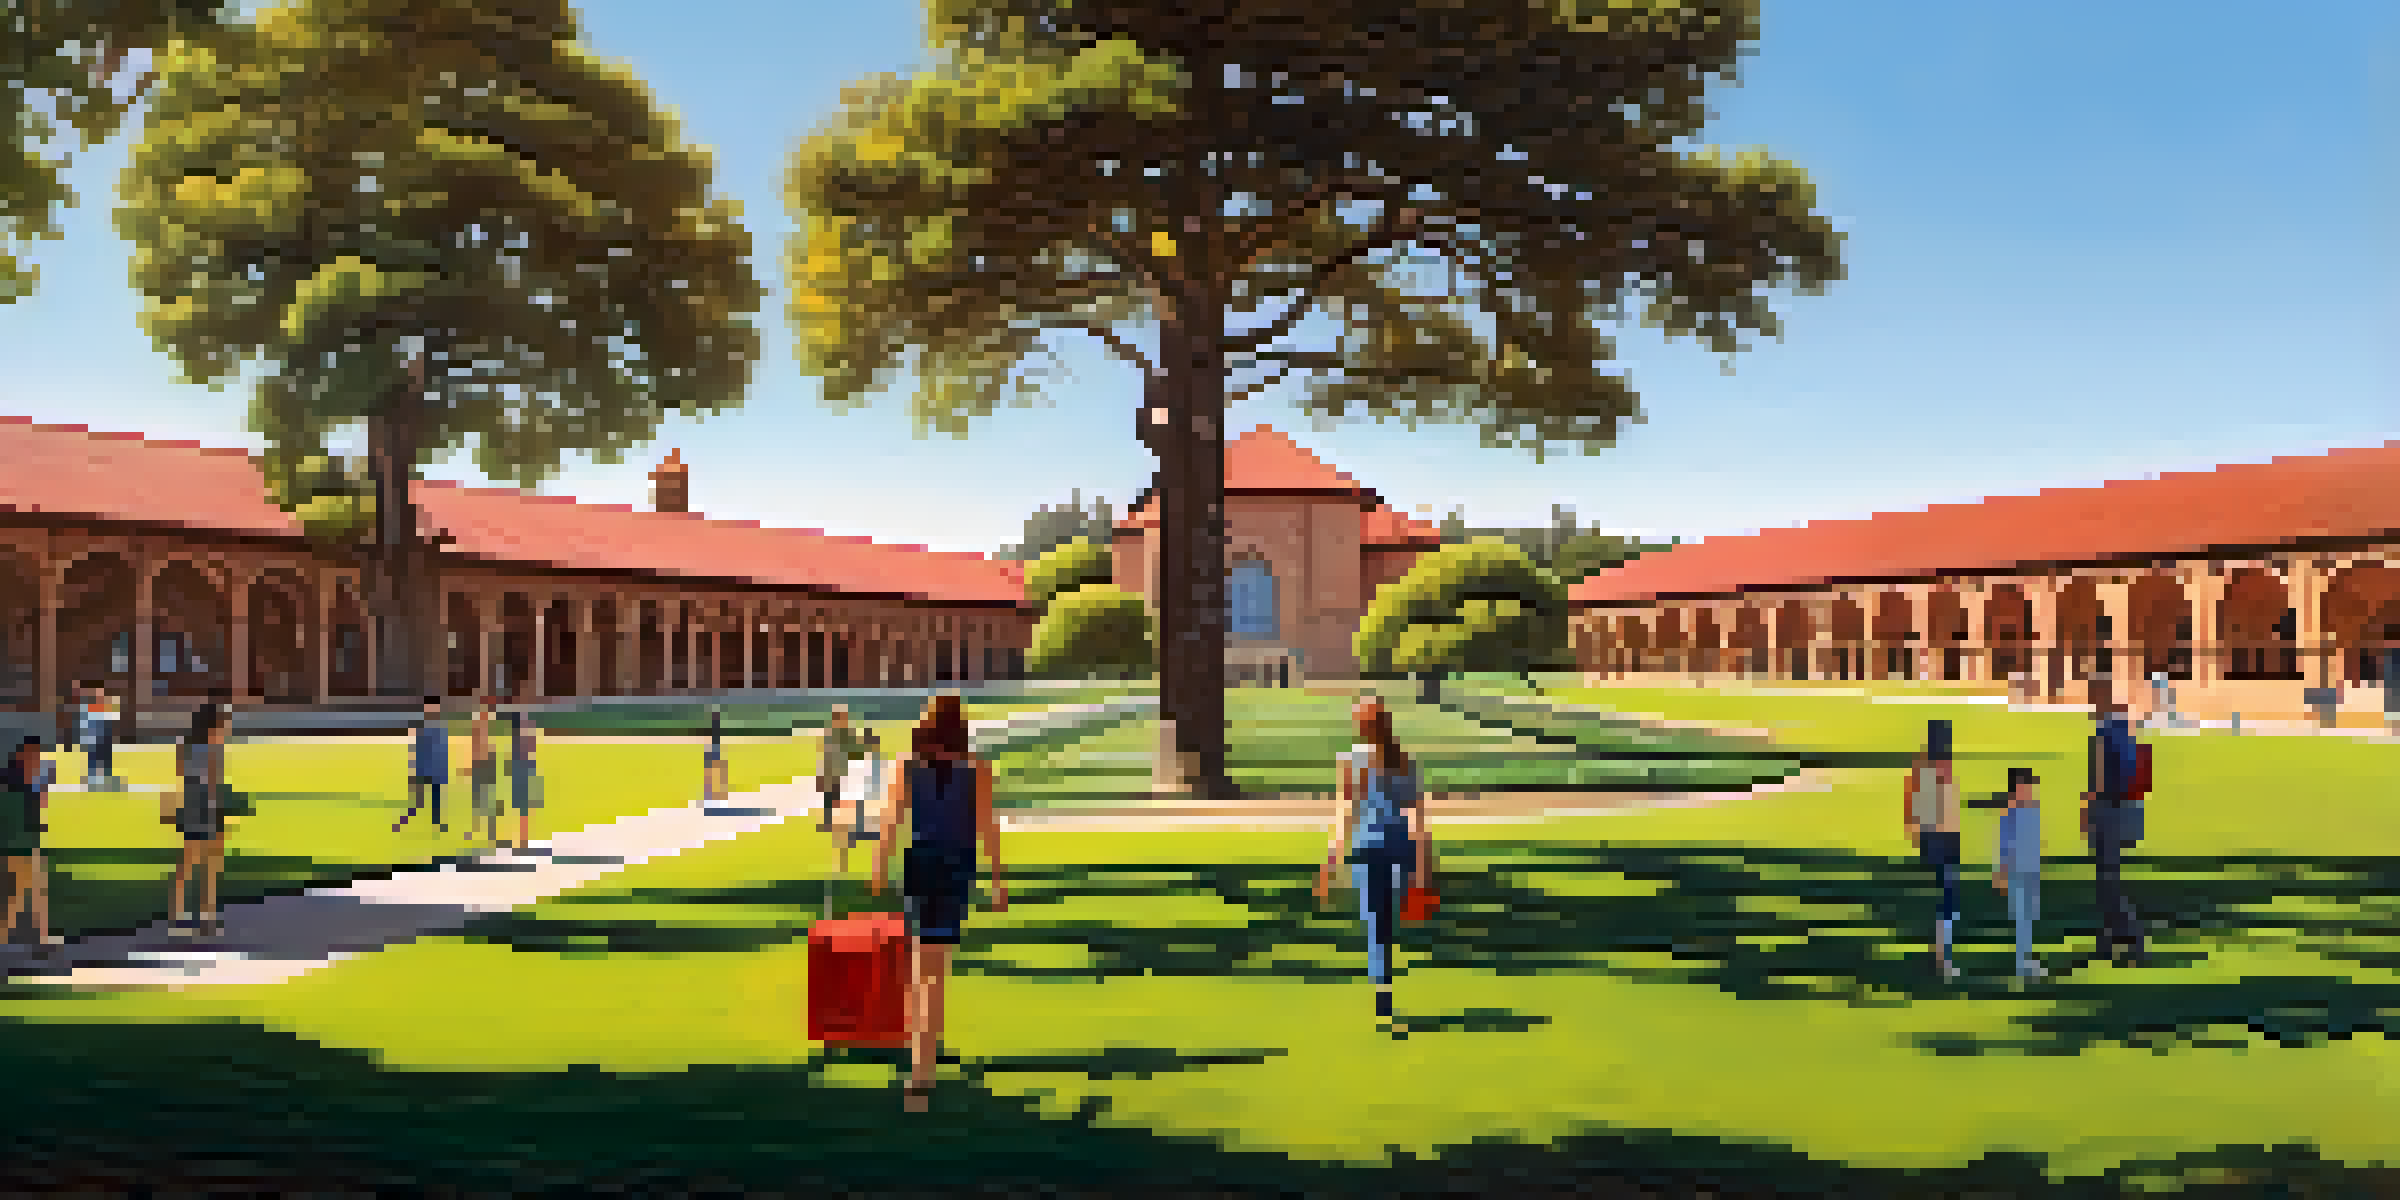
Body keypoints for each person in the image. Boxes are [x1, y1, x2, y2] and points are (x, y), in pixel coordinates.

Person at [870, 693, 1008, 1114]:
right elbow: (986, 825)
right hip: (955, 868)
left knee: (919, 966)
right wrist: (998, 879)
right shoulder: (978, 769)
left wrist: (879, 867)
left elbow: (890, 820)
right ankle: (921, 1071)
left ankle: (923, 1059)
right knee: (938, 967)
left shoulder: (907, 766)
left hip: (920, 866)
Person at [1315, 698, 1435, 1033]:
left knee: (1377, 924)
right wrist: (1422, 867)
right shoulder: (1397, 762)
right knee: (1384, 922)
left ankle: (1383, 992)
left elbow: (1345, 813)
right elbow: (1415, 819)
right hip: (1396, 847)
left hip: (1372, 848)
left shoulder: (1357, 761)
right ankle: (1385, 991)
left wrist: (1330, 860)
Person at [2081, 675, 2146, 966]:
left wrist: (2087, 813)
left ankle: (2133, 938)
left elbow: (2097, 780)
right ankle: (2106, 943)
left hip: (2106, 811)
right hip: (2124, 811)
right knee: (2108, 879)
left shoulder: (2103, 732)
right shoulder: (2125, 730)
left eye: (2092, 697)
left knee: (2107, 882)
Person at [165, 703, 238, 938]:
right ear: (212, 725)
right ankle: (207, 916)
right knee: (209, 865)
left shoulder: (186, 746)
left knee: (187, 862)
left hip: (190, 803)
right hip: (206, 804)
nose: (225, 729)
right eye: (222, 724)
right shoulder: (213, 749)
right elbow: (214, 783)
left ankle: (177, 914)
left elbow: (181, 774)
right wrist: (220, 814)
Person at [1902, 718, 1963, 980]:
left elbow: (1913, 809)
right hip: (1942, 840)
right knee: (1947, 903)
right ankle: (1942, 958)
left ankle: (1937, 954)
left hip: (1934, 839)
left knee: (1943, 901)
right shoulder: (1937, 772)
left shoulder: (1922, 770)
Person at [0, 736, 61, 955]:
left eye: (38, 755)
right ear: (21, 755)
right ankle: (6, 937)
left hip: (30, 844)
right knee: (13, 895)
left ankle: (40, 938)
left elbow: (40, 812)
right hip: (13, 847)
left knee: (37, 892)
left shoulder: (35, 780)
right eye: (32, 755)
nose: (36, 759)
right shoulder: (9, 781)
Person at [1990, 767, 2046, 980]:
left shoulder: (2032, 809)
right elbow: (2004, 846)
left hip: (2032, 871)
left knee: (2029, 916)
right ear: (2017, 788)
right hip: (2017, 872)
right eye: (2027, 786)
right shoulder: (2011, 813)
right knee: (2022, 918)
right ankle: (2023, 963)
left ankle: (2026, 958)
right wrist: (2001, 873)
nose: (2031, 789)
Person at [395, 696, 450, 833]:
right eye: (429, 707)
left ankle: (438, 824)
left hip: (437, 770)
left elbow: (443, 751)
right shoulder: (421, 728)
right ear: (425, 709)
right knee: (416, 800)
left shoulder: (441, 727)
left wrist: (443, 770)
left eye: (434, 707)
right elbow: (416, 750)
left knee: (436, 802)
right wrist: (413, 767)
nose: (432, 709)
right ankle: (405, 820)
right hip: (423, 769)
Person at [818, 705, 866, 833]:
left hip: (845, 773)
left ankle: (855, 824)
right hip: (835, 773)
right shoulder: (832, 735)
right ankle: (829, 823)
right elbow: (825, 756)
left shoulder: (846, 734)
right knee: (831, 799)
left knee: (853, 801)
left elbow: (857, 752)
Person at [466, 695, 503, 846]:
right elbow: (475, 747)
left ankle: (491, 833)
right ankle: (478, 830)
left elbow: (490, 747)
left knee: (486, 799)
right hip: (479, 765)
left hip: (487, 765)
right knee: (478, 800)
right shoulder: (478, 723)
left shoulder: (491, 725)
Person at [507, 704, 542, 851]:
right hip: (521, 772)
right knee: (522, 808)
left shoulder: (519, 741)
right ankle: (522, 840)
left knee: (523, 808)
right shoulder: (519, 741)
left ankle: (522, 839)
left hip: (522, 771)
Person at [700, 707, 729, 811]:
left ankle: (714, 799)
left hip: (713, 751)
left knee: (715, 769)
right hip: (713, 751)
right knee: (714, 769)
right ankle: (713, 799)